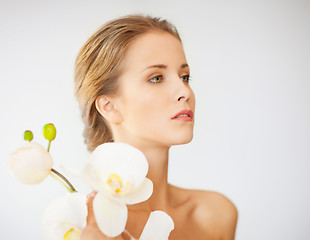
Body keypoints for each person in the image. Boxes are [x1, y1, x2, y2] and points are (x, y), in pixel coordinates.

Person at [74, 15, 238, 240]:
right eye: (156, 78)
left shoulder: (215, 213)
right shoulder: (84, 228)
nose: (185, 91)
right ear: (109, 106)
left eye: (184, 76)